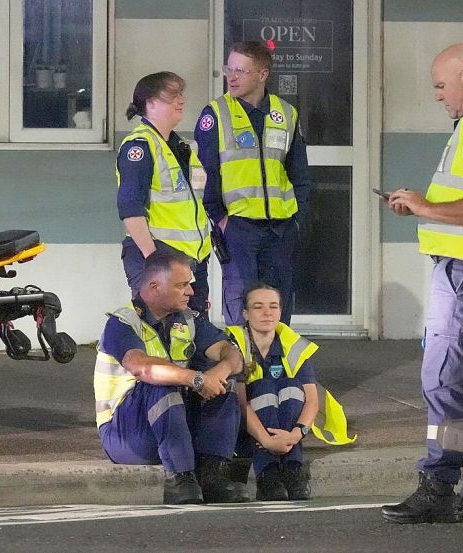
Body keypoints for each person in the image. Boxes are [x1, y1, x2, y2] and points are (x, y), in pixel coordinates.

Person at [381, 43, 463, 524]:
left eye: (440, 85)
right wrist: (417, 206)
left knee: (444, 382)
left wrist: (423, 206)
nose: (437, 96)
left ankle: (437, 484)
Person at [94, 249, 247, 504]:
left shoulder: (188, 319)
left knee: (225, 385)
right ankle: (181, 478)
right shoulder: (122, 323)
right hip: (126, 435)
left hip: (173, 428)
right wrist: (197, 379)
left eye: (190, 284)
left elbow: (231, 354)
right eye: (182, 285)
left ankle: (213, 476)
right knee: (162, 382)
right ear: (155, 287)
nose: (191, 292)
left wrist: (218, 373)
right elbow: (142, 367)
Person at [194, 41, 312, 327]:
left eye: (240, 71)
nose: (231, 77)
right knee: (240, 299)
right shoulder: (216, 115)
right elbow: (204, 173)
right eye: (229, 69)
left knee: (277, 300)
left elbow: (299, 173)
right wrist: (220, 219)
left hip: (279, 226)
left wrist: (298, 218)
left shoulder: (286, 114)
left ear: (262, 75)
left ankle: (275, 364)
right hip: (238, 226)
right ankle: (243, 366)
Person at [117, 72, 212, 316]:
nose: (181, 101)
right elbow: (130, 209)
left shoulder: (181, 147)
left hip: (191, 260)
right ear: (150, 104)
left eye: (181, 94)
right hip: (159, 259)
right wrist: (155, 261)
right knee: (158, 334)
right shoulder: (139, 146)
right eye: (172, 95)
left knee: (192, 337)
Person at [227, 283, 318, 501]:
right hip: (245, 429)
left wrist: (296, 435)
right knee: (264, 387)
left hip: (290, 432)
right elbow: (240, 403)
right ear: (245, 314)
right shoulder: (234, 345)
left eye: (273, 306)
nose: (267, 312)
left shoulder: (293, 345)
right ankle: (267, 473)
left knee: (290, 387)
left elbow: (312, 401)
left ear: (280, 311)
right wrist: (268, 442)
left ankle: (292, 470)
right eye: (258, 307)